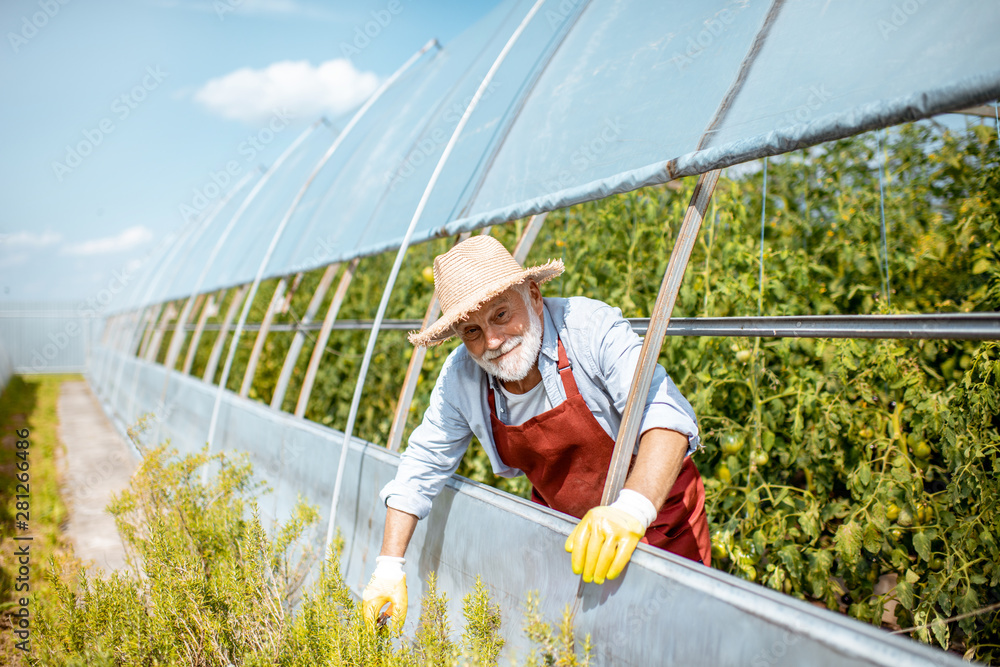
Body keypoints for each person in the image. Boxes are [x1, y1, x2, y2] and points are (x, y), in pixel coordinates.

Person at [362, 235, 710, 629]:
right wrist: (389, 567)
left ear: (533, 294)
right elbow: (421, 466)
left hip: (657, 517)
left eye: (500, 314)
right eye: (471, 331)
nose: (492, 341)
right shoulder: (462, 376)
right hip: (566, 532)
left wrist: (631, 511)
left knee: (670, 635)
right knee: (574, 640)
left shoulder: (587, 329)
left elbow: (664, 412)